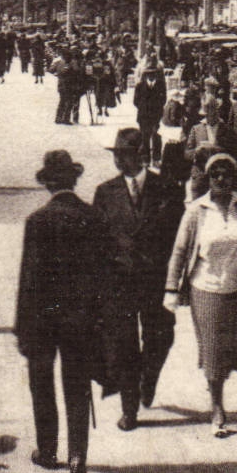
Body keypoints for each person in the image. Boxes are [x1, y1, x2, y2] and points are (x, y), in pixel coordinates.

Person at [15, 150, 115, 473]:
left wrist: (22, 328)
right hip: (81, 320)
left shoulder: (38, 221)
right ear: (73, 181)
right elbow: (105, 276)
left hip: (43, 321)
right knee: (77, 388)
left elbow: (29, 281)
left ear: (48, 184)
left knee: (41, 386)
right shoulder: (94, 218)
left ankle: (47, 451)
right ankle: (78, 461)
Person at [164, 152, 237, 437]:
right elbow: (180, 251)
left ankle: (214, 380)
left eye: (226, 173)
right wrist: (170, 288)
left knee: (231, 350)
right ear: (207, 177)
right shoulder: (196, 210)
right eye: (215, 174)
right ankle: (217, 407)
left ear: (234, 177)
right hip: (205, 288)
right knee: (214, 349)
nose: (220, 179)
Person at [93, 128, 186, 429]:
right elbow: (98, 239)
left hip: (156, 280)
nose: (118, 160)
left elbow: (178, 238)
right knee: (124, 344)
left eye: (123, 154)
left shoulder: (167, 189)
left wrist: (177, 279)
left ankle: (149, 377)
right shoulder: (105, 192)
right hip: (119, 282)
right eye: (116, 154)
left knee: (161, 336)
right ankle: (129, 409)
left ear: (139, 156)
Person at [132, 60, 168, 162]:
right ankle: (146, 159)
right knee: (145, 137)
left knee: (155, 135)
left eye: (153, 73)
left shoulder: (161, 85)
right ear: (146, 75)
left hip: (155, 115)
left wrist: (157, 109)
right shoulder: (140, 86)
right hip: (143, 116)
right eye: (149, 73)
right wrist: (143, 107)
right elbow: (135, 101)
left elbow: (163, 100)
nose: (151, 75)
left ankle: (156, 158)